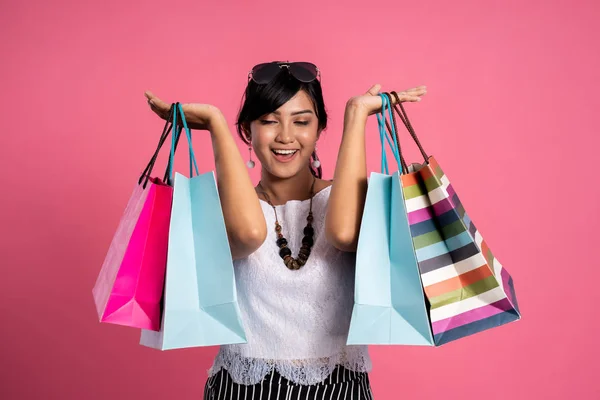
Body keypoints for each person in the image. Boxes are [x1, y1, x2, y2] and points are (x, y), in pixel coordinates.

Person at [145, 61, 426, 400]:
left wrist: (356, 114)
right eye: (268, 121)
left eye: (302, 121)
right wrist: (215, 124)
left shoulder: (344, 200)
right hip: (241, 388)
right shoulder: (226, 211)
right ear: (247, 132)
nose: (285, 136)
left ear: (320, 128)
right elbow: (248, 233)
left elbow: (344, 234)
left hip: (340, 388)